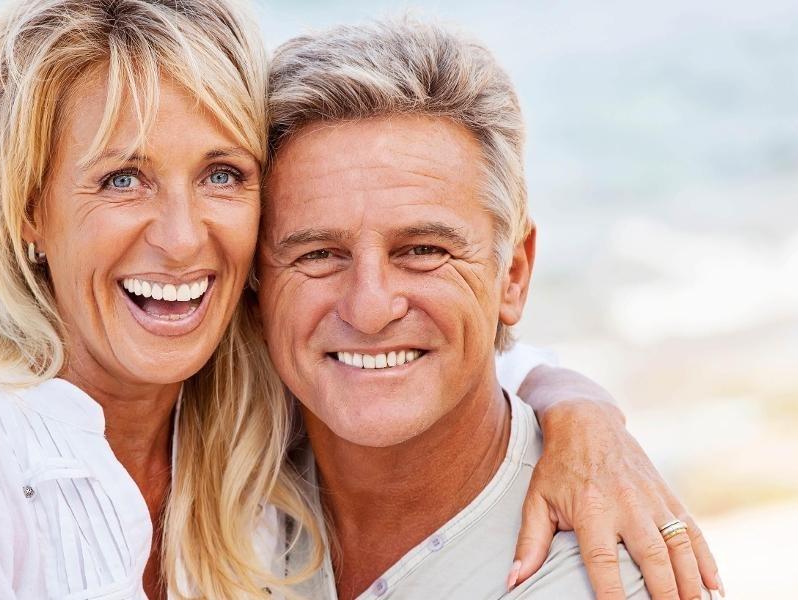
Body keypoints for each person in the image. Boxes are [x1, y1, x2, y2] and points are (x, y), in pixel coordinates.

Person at [0, 1, 717, 598]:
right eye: (122, 179)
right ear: (29, 213)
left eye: (220, 174)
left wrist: (584, 418)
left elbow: (433, 345)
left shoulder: (239, 411)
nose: (179, 235)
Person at [256, 18, 717, 599]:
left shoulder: (599, 577)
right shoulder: (217, 487)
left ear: (513, 274)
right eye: (319, 254)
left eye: (423, 250)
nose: (369, 307)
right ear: (255, 284)